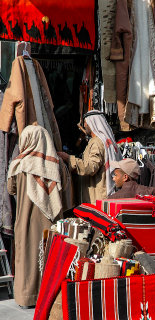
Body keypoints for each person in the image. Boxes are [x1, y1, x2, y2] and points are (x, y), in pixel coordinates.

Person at [7, 125, 69, 307]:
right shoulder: (56, 163)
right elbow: (64, 186)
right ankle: (50, 295)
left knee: (27, 257)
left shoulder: (18, 164)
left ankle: (28, 296)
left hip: (25, 220)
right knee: (50, 257)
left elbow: (11, 189)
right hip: (51, 221)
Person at [57, 110, 122, 204]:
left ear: (92, 123)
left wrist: (68, 158)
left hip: (97, 197)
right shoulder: (103, 140)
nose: (84, 126)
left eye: (86, 123)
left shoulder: (97, 142)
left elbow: (91, 167)